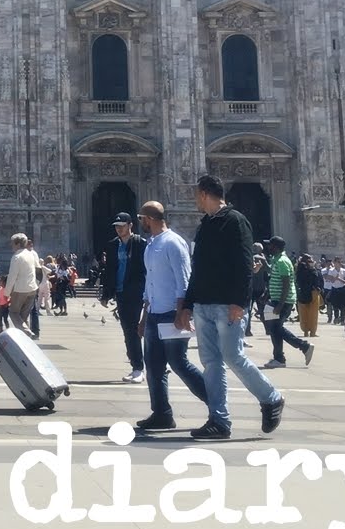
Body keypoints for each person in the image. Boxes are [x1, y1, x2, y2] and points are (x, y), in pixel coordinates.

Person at [177, 175, 284, 440]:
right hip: (204, 304)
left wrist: (240, 302)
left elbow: (244, 263)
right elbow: (198, 268)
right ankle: (219, 420)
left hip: (227, 304)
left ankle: (271, 398)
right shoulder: (206, 224)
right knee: (211, 363)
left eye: (196, 194)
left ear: (204, 194)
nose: (195, 200)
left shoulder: (236, 221)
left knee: (233, 357)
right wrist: (188, 304)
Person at [135, 201, 208, 431]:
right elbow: (150, 283)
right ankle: (162, 414)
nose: (140, 223)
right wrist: (144, 317)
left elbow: (184, 280)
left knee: (179, 363)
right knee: (153, 366)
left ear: (149, 219)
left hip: (171, 313)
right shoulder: (151, 245)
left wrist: (181, 312)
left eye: (141, 218)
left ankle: (216, 404)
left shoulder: (173, 242)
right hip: (154, 313)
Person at [101, 212, 147, 384]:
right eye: (116, 227)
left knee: (133, 329)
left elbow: (146, 269)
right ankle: (136, 367)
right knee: (128, 330)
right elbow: (109, 270)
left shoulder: (140, 243)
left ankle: (139, 367)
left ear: (130, 225)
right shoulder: (113, 245)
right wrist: (106, 294)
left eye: (122, 226)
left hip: (136, 291)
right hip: (121, 292)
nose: (119, 229)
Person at [261, 237, 314, 369]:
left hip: (283, 301)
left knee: (276, 328)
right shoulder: (276, 260)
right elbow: (275, 279)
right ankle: (279, 358)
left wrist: (280, 305)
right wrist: (267, 295)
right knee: (274, 329)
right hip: (276, 300)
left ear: (276, 247)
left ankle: (303, 346)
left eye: (270, 245)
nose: (268, 248)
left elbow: (286, 284)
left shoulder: (282, 261)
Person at [5, 234, 41, 334]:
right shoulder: (31, 254)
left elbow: (12, 276)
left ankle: (27, 332)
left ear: (17, 244)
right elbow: (38, 270)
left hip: (20, 290)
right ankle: (26, 337)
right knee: (23, 317)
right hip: (32, 289)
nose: (11, 246)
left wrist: (6, 293)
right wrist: (37, 284)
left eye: (12, 243)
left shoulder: (16, 257)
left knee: (13, 312)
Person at [294, 253, 323, 337]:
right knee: (313, 314)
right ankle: (312, 332)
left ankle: (305, 331)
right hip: (313, 293)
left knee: (303, 314)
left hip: (301, 293)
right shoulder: (312, 270)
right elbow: (315, 279)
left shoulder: (298, 270)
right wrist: (313, 268)